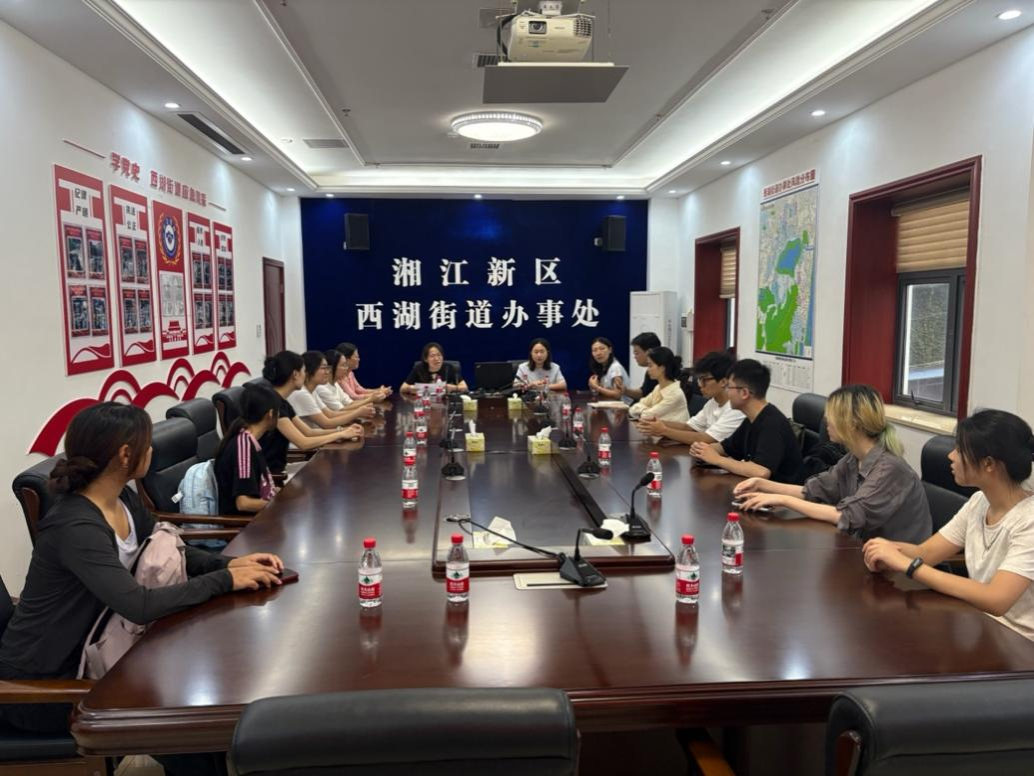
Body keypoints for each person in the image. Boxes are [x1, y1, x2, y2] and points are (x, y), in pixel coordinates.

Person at [0, 403, 283, 773]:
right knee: (182, 720)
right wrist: (225, 581)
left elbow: (174, 550)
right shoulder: (76, 527)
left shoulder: (122, 499)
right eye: (146, 445)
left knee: (198, 697)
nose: (150, 451)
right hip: (42, 688)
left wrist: (230, 565)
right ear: (124, 454)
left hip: (100, 653)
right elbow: (139, 605)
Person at [864, 410, 1034, 641]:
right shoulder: (979, 502)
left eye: (960, 450)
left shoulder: (1029, 520)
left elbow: (996, 599)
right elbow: (927, 552)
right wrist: (888, 551)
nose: (951, 456)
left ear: (989, 464)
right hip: (983, 629)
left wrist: (909, 566)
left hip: (1021, 643)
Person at [734, 385, 931, 542]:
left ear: (853, 423)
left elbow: (846, 516)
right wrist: (763, 485)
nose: (826, 420)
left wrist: (782, 500)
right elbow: (814, 490)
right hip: (862, 552)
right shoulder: (853, 459)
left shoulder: (889, 468)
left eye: (831, 415)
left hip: (898, 566)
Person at [689, 359, 804, 483]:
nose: (726, 392)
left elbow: (761, 471)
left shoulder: (772, 424)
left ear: (744, 393)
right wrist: (702, 449)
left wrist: (717, 459)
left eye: (729, 387)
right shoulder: (751, 418)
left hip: (779, 492)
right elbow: (726, 447)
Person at [259, 351, 362, 474]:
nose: (305, 375)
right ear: (295, 374)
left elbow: (309, 432)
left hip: (283, 467)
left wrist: (344, 431)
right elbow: (303, 443)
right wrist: (340, 434)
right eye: (304, 371)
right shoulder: (274, 405)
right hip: (274, 474)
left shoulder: (282, 401)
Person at [638, 350, 744, 445]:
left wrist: (663, 430)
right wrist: (657, 422)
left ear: (723, 382)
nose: (700, 385)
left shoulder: (736, 409)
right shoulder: (712, 403)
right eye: (699, 380)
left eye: (704, 380)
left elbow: (707, 439)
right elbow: (689, 427)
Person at [214, 383, 280, 516]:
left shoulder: (249, 439)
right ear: (270, 414)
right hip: (245, 523)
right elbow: (243, 503)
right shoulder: (243, 446)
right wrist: (279, 504)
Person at [289, 350, 375, 429]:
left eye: (327, 368)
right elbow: (326, 423)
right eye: (323, 368)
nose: (327, 372)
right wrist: (358, 413)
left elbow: (330, 414)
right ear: (309, 370)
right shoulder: (304, 393)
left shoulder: (312, 391)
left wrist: (358, 413)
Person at [628, 347, 689, 427]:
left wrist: (644, 411)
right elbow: (633, 409)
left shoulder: (675, 393)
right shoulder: (658, 388)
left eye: (650, 365)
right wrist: (647, 410)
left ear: (662, 368)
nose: (648, 369)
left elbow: (646, 416)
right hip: (657, 431)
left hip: (674, 433)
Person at [317, 349, 382, 412]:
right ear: (330, 368)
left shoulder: (335, 384)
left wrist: (369, 401)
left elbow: (350, 403)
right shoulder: (322, 388)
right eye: (343, 365)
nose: (346, 368)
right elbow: (341, 410)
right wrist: (369, 399)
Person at [401, 342, 468, 393]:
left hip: (444, 402)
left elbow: (465, 387)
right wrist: (410, 388)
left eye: (439, 355)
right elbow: (402, 388)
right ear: (425, 359)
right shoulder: (419, 368)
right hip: (424, 402)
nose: (436, 358)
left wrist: (454, 387)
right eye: (432, 356)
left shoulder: (449, 368)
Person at [623, 332, 661, 401]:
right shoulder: (651, 371)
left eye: (636, 353)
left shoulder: (659, 372)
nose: (635, 357)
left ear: (649, 352)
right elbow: (644, 393)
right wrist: (624, 390)